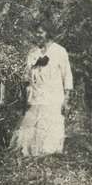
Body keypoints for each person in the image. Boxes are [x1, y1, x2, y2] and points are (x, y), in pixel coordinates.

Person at [10, 21, 73, 157]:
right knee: (32, 122)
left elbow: (67, 75)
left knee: (50, 123)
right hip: (35, 94)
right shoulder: (33, 53)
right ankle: (30, 151)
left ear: (48, 33)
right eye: (36, 32)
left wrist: (66, 97)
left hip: (53, 96)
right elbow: (26, 76)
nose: (37, 35)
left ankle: (48, 151)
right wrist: (25, 94)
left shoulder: (59, 51)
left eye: (41, 32)